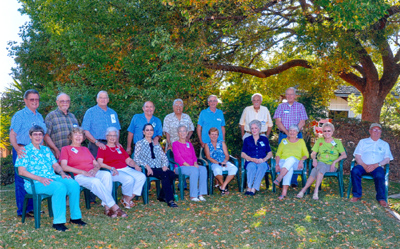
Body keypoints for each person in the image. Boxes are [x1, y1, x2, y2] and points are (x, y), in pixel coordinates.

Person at [15, 125, 86, 231]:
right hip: (35, 183)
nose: (38, 137)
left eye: (40, 134)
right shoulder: (24, 151)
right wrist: (40, 179)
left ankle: (75, 218)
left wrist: (62, 173)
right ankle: (58, 222)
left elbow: (55, 165)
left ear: (43, 136)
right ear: (30, 136)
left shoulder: (46, 150)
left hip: (52, 177)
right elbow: (21, 171)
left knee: (73, 184)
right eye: (35, 134)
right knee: (59, 187)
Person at [60, 127, 127, 218]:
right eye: (75, 134)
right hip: (78, 175)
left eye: (80, 134)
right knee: (95, 181)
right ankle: (114, 207)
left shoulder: (85, 149)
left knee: (107, 174)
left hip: (91, 173)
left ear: (83, 138)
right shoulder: (66, 149)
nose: (78, 136)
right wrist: (82, 172)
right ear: (70, 137)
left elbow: (97, 164)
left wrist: (95, 170)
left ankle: (107, 207)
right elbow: (64, 166)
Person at [10, 89, 48, 217]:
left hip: (36, 153)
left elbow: (42, 136)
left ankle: (32, 208)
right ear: (25, 100)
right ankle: (23, 210)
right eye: (32, 99)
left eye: (37, 99)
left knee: (34, 178)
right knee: (22, 180)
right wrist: (17, 149)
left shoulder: (39, 116)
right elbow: (12, 134)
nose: (35, 102)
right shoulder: (19, 115)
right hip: (23, 151)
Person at [97, 127, 146, 208]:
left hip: (125, 168)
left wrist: (135, 165)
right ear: (106, 137)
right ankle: (126, 199)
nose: (112, 138)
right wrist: (111, 168)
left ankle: (127, 199)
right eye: (110, 135)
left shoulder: (119, 147)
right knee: (129, 179)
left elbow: (128, 160)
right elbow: (100, 163)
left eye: (114, 136)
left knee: (141, 176)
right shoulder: (103, 148)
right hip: (113, 171)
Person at [296, 122, 347, 200]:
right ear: (322, 132)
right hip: (320, 163)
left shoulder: (337, 142)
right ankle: (315, 192)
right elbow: (313, 153)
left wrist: (335, 162)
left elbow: (344, 155)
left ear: (332, 131)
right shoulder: (320, 141)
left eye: (329, 131)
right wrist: (314, 159)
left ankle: (304, 190)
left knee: (315, 170)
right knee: (321, 167)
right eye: (325, 131)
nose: (327, 133)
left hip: (331, 166)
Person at [134, 123, 178, 207]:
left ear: (153, 132)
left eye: (151, 130)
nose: (149, 132)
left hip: (159, 167)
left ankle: (162, 196)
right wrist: (146, 165)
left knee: (172, 174)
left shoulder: (156, 144)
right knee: (165, 175)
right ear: (143, 132)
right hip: (148, 168)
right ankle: (170, 200)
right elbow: (136, 158)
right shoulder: (139, 143)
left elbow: (164, 157)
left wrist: (164, 165)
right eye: (147, 130)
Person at [350, 123, 393, 207]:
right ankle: (357, 195)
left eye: (379, 130)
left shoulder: (385, 144)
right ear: (370, 131)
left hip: (377, 167)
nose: (377, 132)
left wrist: (376, 165)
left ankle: (381, 198)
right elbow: (357, 156)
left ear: (381, 132)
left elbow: (387, 159)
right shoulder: (363, 142)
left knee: (380, 175)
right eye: (374, 129)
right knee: (355, 171)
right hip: (363, 165)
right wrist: (364, 165)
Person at [273, 87, 308, 187]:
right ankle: (283, 179)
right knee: (284, 155)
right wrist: (287, 132)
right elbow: (278, 121)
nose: (289, 96)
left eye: (291, 94)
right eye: (287, 94)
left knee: (297, 155)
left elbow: (302, 121)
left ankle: (293, 181)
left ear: (295, 95)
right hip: (283, 135)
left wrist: (294, 132)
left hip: (297, 135)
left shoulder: (300, 106)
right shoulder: (281, 106)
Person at [172, 125, 208, 201]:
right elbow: (178, 158)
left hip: (191, 166)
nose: (182, 133)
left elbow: (194, 157)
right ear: (178, 133)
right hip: (180, 167)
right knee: (194, 170)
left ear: (187, 132)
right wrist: (189, 166)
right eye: (180, 131)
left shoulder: (189, 144)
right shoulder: (175, 144)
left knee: (203, 169)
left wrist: (195, 163)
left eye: (184, 131)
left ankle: (200, 194)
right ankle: (193, 196)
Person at [273, 125, 309, 199]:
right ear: (288, 132)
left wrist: (302, 161)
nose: (292, 132)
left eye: (294, 131)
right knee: (289, 168)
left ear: (297, 132)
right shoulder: (284, 141)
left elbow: (306, 154)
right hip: (283, 162)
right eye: (290, 130)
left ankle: (280, 177)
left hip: (297, 163)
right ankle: (284, 192)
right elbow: (278, 154)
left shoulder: (301, 141)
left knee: (291, 159)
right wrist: (276, 164)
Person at [82, 90, 121, 158]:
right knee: (97, 166)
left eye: (105, 98)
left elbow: (117, 129)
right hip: (96, 145)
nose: (103, 100)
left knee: (112, 165)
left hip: (111, 145)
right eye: (101, 98)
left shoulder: (113, 113)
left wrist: (117, 142)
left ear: (108, 100)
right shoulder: (90, 112)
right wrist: (96, 142)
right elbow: (85, 130)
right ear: (97, 99)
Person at [241, 120, 273, 196]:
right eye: (252, 128)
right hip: (251, 161)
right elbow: (243, 154)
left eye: (256, 128)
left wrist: (264, 159)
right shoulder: (247, 140)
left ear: (259, 129)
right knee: (251, 167)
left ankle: (254, 188)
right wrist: (252, 159)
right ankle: (249, 187)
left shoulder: (264, 139)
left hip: (262, 161)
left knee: (262, 167)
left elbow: (270, 153)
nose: (254, 130)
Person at [44, 93, 79, 158]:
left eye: (67, 101)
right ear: (57, 102)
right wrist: (56, 149)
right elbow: (46, 136)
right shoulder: (51, 116)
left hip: (72, 154)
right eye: (62, 101)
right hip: (57, 154)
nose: (65, 103)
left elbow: (78, 135)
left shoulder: (73, 117)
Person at [204, 127, 238, 195]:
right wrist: (218, 163)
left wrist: (224, 161)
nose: (214, 136)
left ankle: (223, 186)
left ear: (218, 135)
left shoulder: (222, 143)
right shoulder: (207, 145)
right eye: (212, 134)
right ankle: (224, 187)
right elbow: (208, 157)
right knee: (217, 170)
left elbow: (227, 155)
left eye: (216, 134)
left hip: (224, 162)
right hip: (214, 163)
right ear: (209, 135)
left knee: (234, 168)